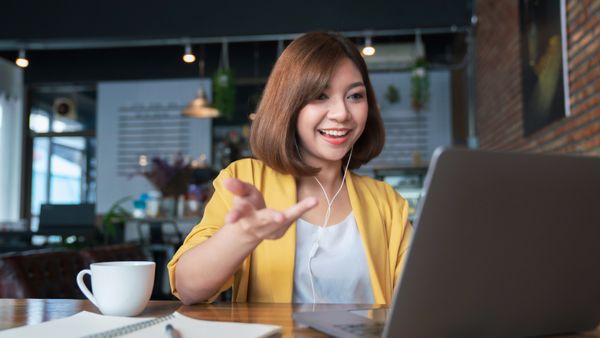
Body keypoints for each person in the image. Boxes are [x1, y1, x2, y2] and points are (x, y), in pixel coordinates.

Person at [167, 32, 413, 305]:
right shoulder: (246, 179)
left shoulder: (387, 202)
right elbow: (187, 288)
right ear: (288, 105)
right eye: (320, 95)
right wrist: (241, 235)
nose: (342, 113)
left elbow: (419, 300)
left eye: (355, 96)